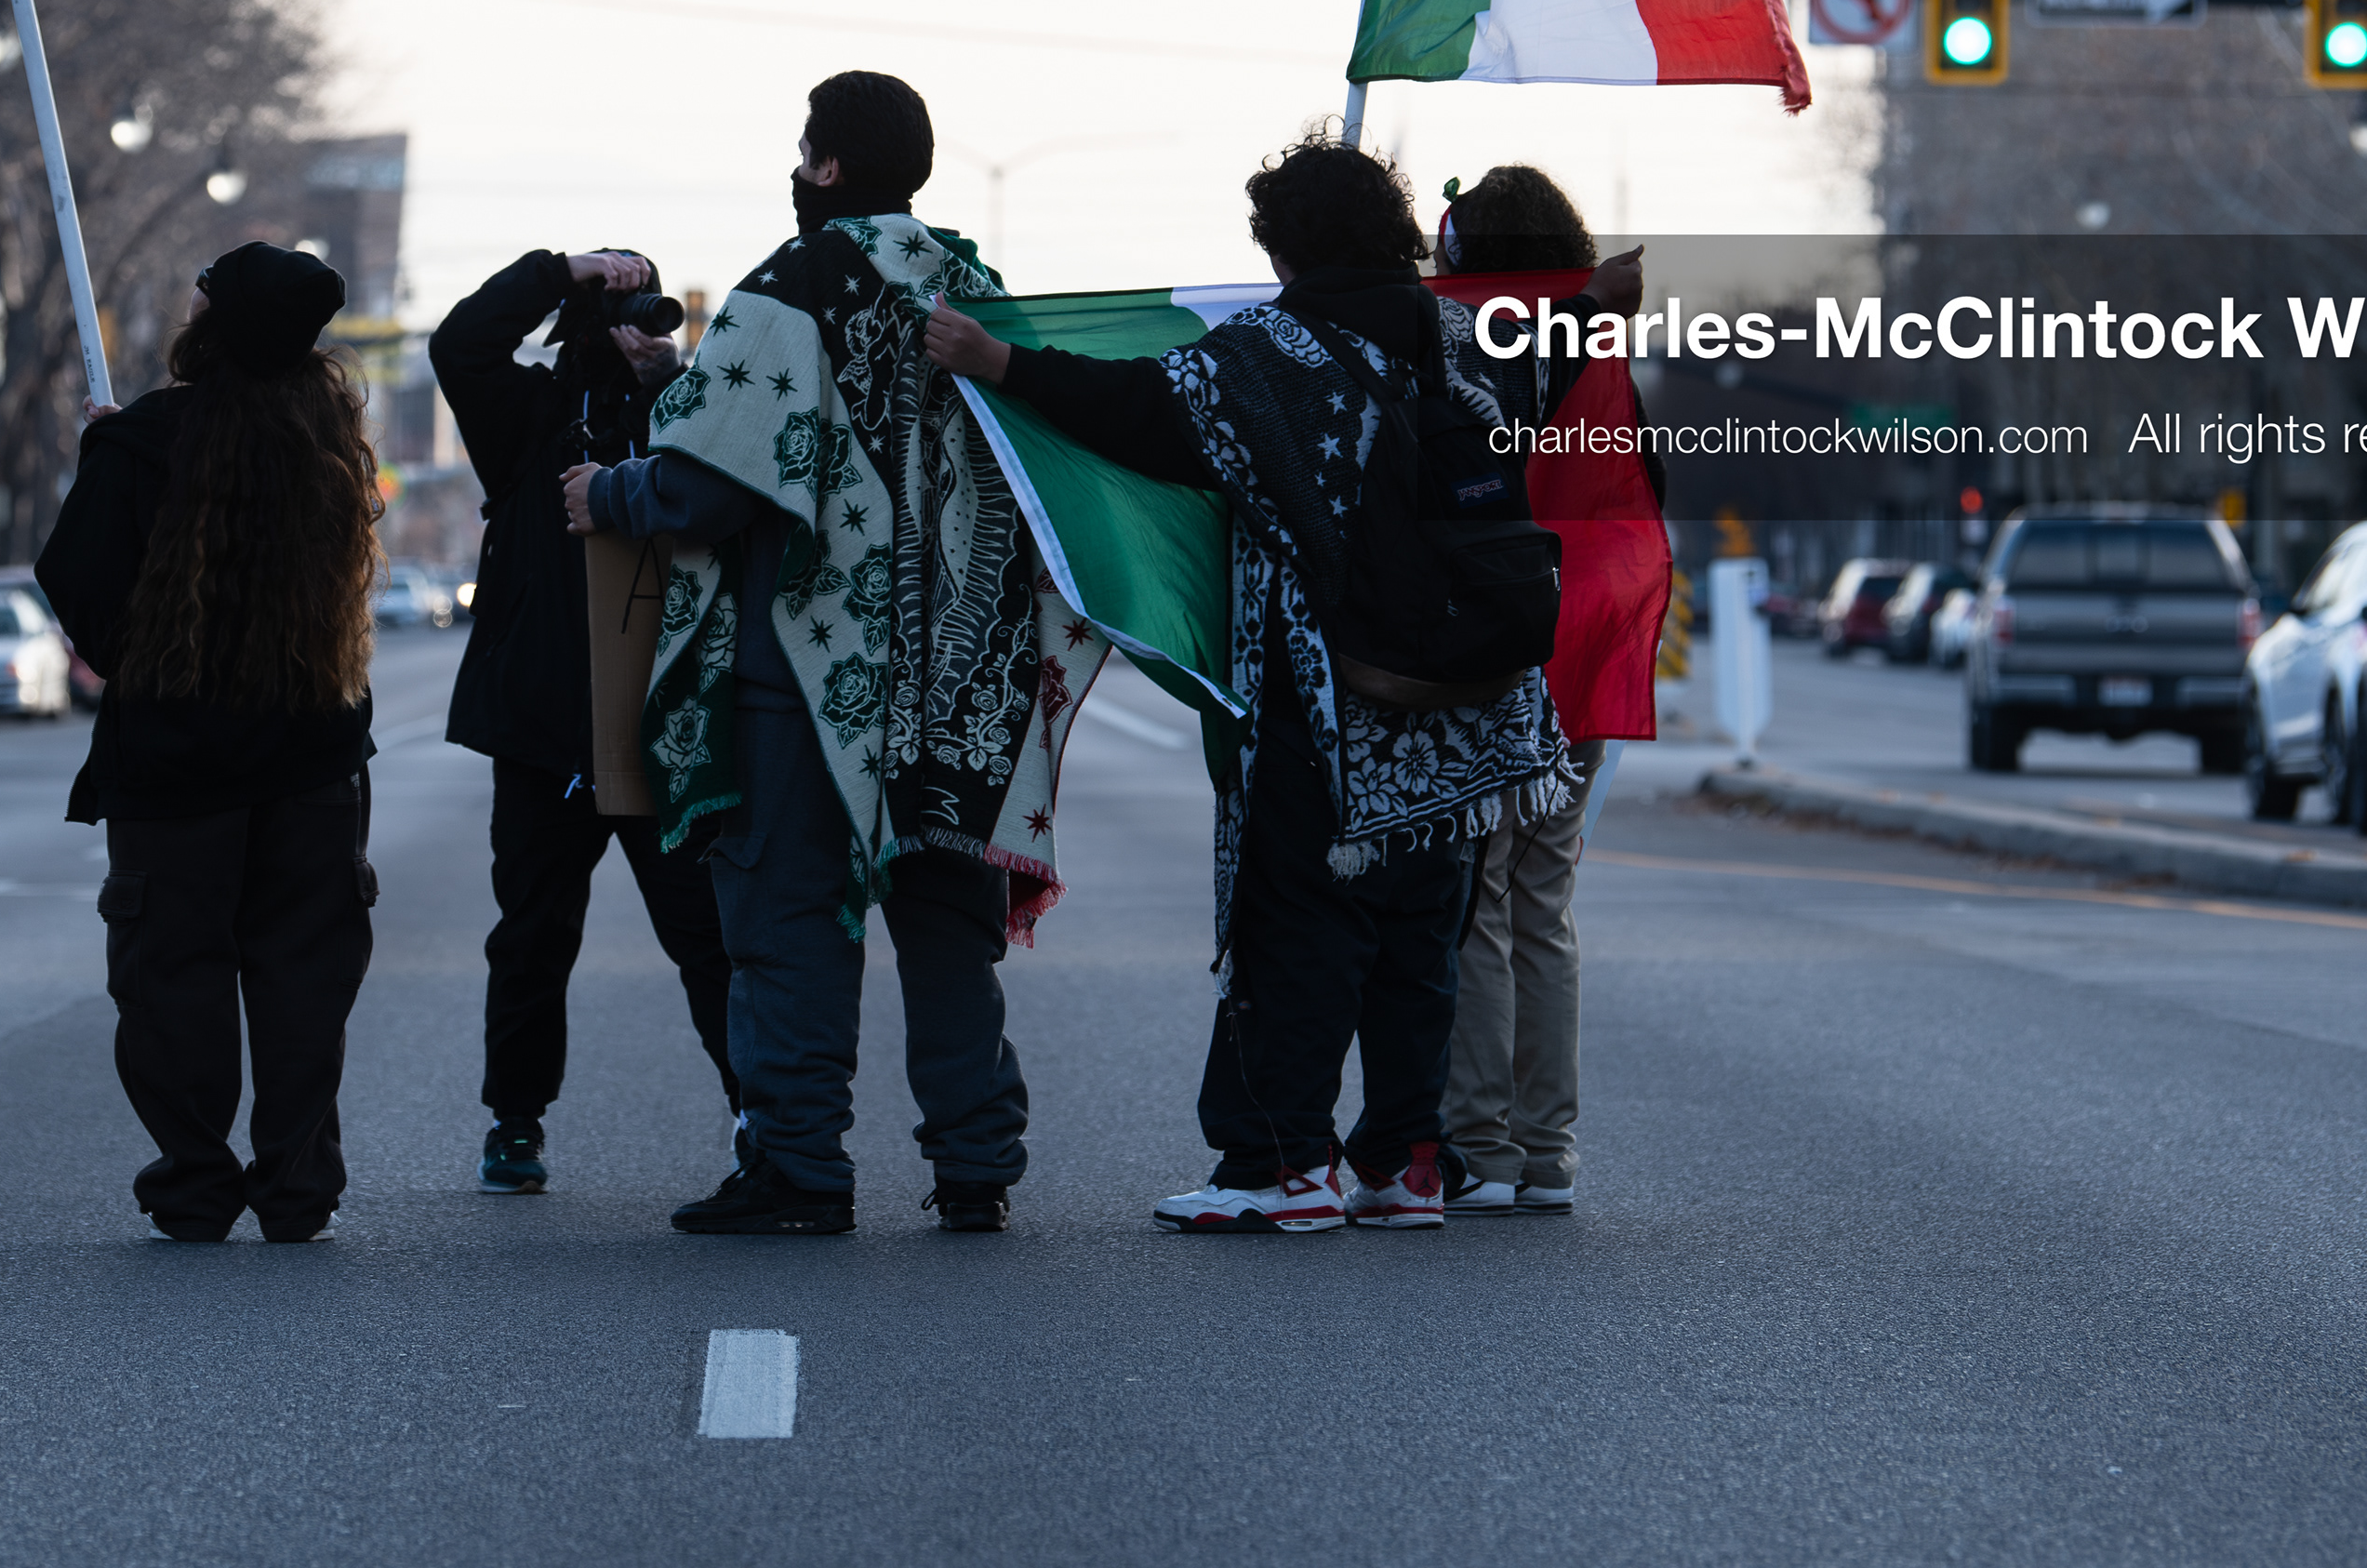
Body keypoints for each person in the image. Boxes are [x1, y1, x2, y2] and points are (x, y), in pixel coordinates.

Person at [923, 134, 1584, 1234]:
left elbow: (1139, 411)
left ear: (1290, 243)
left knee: (1301, 929)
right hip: (1476, 702)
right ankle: (1408, 1163)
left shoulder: (1268, 352)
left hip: (1334, 704)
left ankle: (1281, 1164)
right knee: (1422, 936)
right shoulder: (1468, 336)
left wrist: (1001, 363)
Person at [564, 71, 1104, 1237]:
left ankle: (800, 1168)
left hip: (806, 679)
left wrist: (610, 490)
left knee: (790, 926)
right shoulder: (977, 288)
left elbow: (711, 488)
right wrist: (682, 387)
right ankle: (976, 1165)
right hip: (960, 682)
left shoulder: (790, 285)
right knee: (949, 934)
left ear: (823, 166)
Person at [36, 243, 381, 1245]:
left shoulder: (143, 444)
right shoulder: (331, 446)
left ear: (211, 328)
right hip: (312, 756)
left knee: (170, 975)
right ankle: (297, 1182)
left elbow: (76, 574)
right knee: (305, 973)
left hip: (173, 762)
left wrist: (137, 658)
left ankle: (194, 1179)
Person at [432, 244, 737, 1197]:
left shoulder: (683, 418)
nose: (632, 329)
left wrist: (667, 383)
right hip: (542, 731)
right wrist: (560, 271)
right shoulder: (527, 422)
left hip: (663, 726)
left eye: (646, 311)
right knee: (531, 934)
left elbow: (733, 479)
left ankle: (758, 1111)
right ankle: (514, 1121)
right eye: (614, 314)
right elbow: (460, 345)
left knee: (706, 934)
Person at [1427, 165, 1659, 1217]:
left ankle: (1479, 1142)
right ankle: (1548, 1149)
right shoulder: (1601, 360)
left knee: (1477, 892)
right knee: (1544, 901)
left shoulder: (1483, 342)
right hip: (1583, 645)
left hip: (1499, 644)